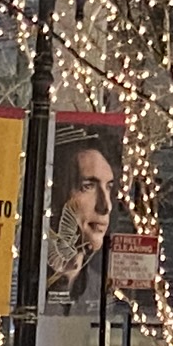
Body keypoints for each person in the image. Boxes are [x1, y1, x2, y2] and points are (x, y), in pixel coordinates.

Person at [42, 128, 119, 309]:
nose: (105, 206)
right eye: (88, 186)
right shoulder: (22, 277)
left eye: (109, 187)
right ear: (55, 193)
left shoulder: (101, 293)